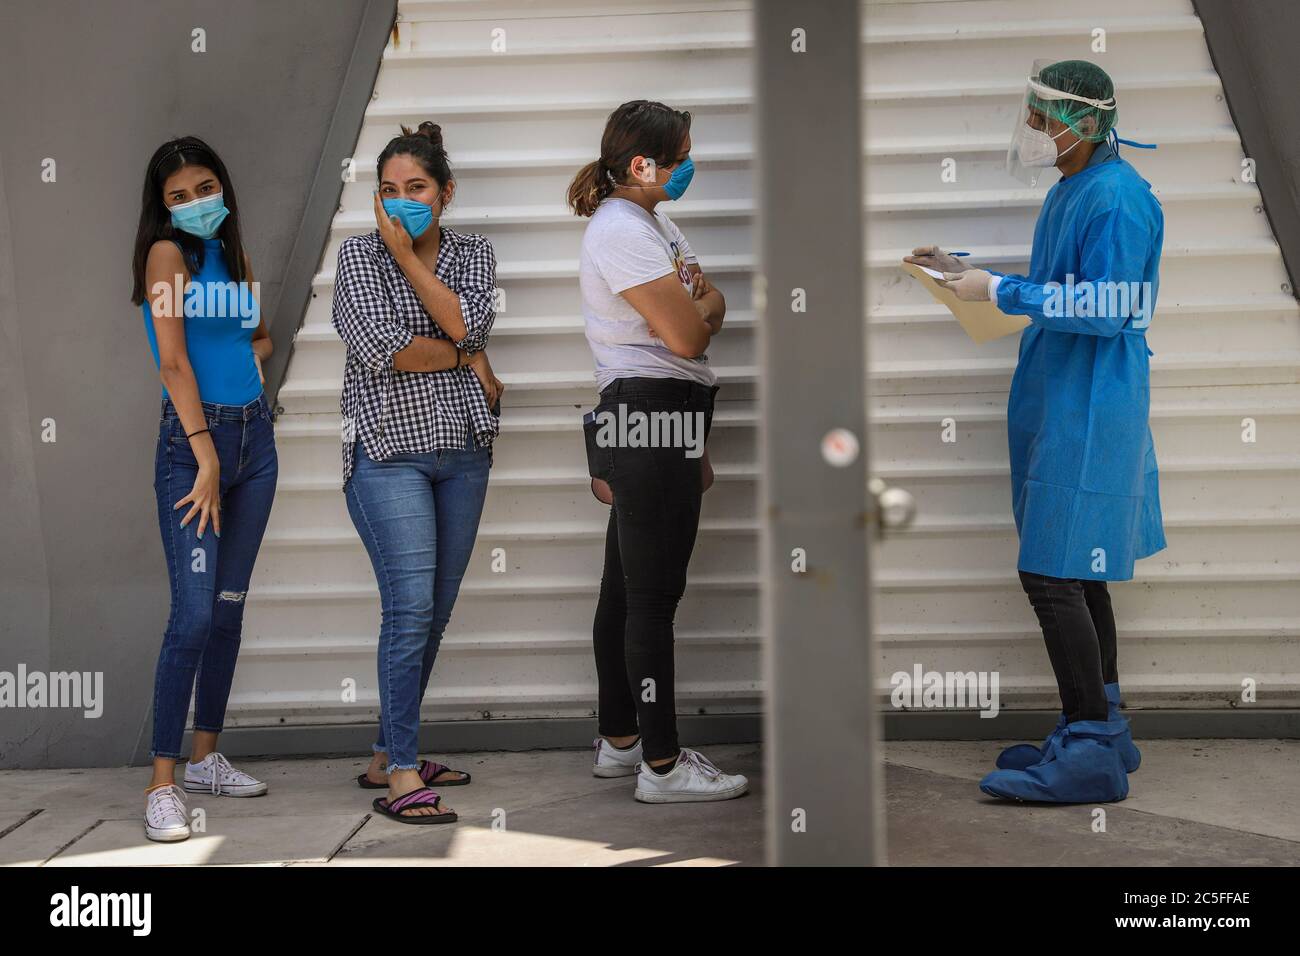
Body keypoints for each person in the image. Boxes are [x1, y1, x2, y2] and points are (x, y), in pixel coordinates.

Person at [907, 60, 1162, 804]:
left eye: (1044, 117)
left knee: (1051, 570)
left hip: (1090, 403)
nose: (1034, 130)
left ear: (1085, 122)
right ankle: (1101, 724)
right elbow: (1064, 287)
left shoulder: (1118, 199)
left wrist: (1003, 289)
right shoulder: (1074, 188)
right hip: (1063, 396)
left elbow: (1109, 307)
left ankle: (1089, 751)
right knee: (1075, 565)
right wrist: (971, 276)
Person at [568, 100, 748, 803]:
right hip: (649, 411)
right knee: (652, 598)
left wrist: (697, 305)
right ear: (643, 164)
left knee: (625, 589)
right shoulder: (622, 230)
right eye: (682, 157)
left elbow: (716, 302)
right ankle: (663, 767)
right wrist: (694, 307)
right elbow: (692, 336)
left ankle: (621, 741)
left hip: (662, 413)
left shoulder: (653, 222)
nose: (690, 167)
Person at [332, 122, 505, 824]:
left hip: (463, 450)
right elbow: (384, 349)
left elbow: (472, 327)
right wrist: (464, 355)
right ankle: (403, 772)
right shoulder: (355, 257)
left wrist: (412, 266)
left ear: (446, 192)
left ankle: (385, 750)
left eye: (417, 189)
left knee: (431, 614)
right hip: (385, 454)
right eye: (388, 191)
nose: (401, 202)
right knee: (408, 610)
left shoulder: (475, 253)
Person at [132, 136, 278, 841]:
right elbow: (173, 364)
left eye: (204, 187)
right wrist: (205, 455)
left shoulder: (234, 252)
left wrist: (252, 364)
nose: (195, 204)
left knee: (227, 608)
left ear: (223, 187)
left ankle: (206, 758)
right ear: (161, 208)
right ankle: (162, 787)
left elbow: (255, 337)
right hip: (197, 447)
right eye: (178, 196)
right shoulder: (167, 256)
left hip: (255, 439)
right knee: (191, 618)